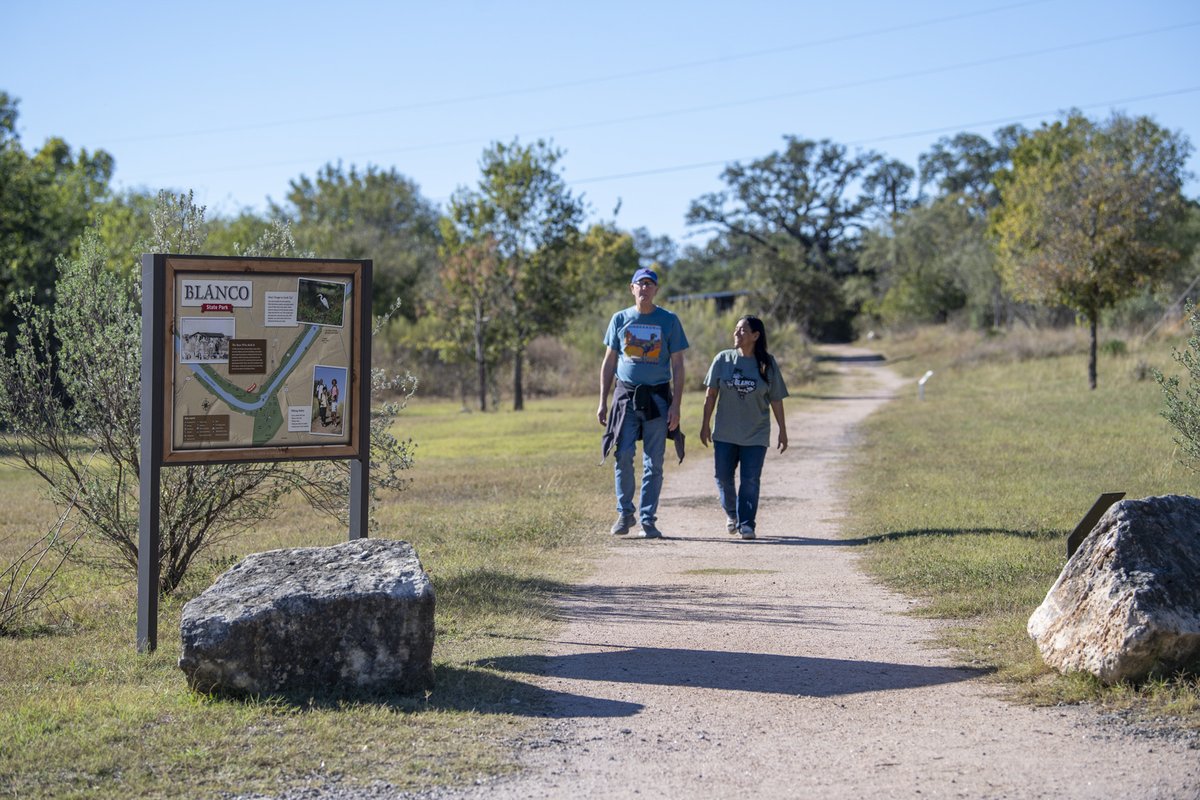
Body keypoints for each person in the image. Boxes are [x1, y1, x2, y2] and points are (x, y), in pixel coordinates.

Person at [598, 267, 689, 539]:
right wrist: (603, 400)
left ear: (656, 290)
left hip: (658, 398)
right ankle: (625, 513)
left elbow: (678, 364)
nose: (645, 289)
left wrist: (676, 406)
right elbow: (609, 362)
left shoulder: (669, 320)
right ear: (632, 288)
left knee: (654, 461)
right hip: (625, 395)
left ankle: (648, 519)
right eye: (641, 284)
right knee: (623, 453)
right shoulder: (620, 319)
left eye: (650, 284)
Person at [699, 315, 788, 540]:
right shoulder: (723, 359)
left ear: (755, 336)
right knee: (722, 477)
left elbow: (776, 398)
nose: (736, 334)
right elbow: (710, 395)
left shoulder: (767, 363)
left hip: (755, 434)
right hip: (725, 433)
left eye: (742, 331)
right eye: (736, 329)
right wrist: (704, 424)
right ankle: (732, 514)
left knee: (750, 480)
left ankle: (747, 523)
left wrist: (783, 430)